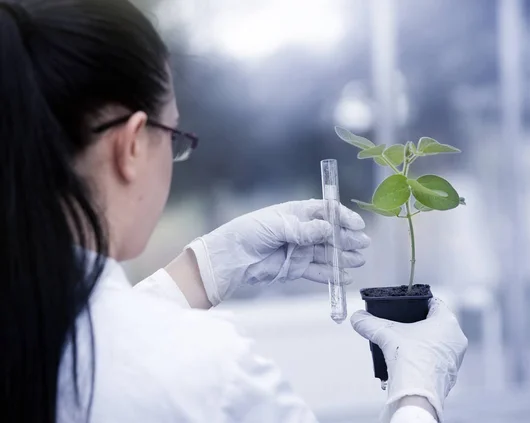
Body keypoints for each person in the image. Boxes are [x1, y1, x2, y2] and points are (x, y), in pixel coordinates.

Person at [0, 1, 468, 422]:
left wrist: (203, 269)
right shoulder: (207, 372)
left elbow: (83, 333)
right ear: (132, 147)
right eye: (175, 137)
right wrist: (417, 395)